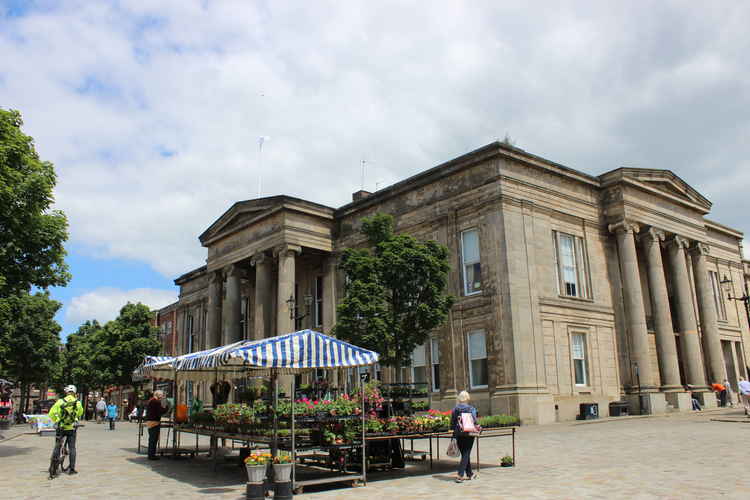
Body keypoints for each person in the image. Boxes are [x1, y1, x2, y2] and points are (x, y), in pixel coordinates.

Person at [48, 385, 84, 476]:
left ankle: (53, 466)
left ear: (66, 392)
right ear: (75, 393)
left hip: (61, 427)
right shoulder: (78, 403)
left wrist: (57, 421)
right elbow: (80, 413)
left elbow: (51, 413)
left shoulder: (60, 401)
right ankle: (72, 469)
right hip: (71, 428)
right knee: (72, 448)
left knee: (57, 446)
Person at [450, 391, 479, 483]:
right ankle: (460, 475)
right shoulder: (471, 409)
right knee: (466, 453)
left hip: (458, 433)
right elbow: (474, 421)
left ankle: (470, 474)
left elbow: (452, 423)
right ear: (467, 398)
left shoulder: (455, 409)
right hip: (468, 433)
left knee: (465, 454)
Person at [145, 390, 166, 460]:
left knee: (152, 439)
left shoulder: (151, 401)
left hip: (150, 421)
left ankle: (151, 454)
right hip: (154, 422)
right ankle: (151, 455)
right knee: (153, 439)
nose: (162, 396)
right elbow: (160, 411)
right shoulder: (156, 402)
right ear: (158, 395)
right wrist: (166, 408)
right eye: (162, 395)